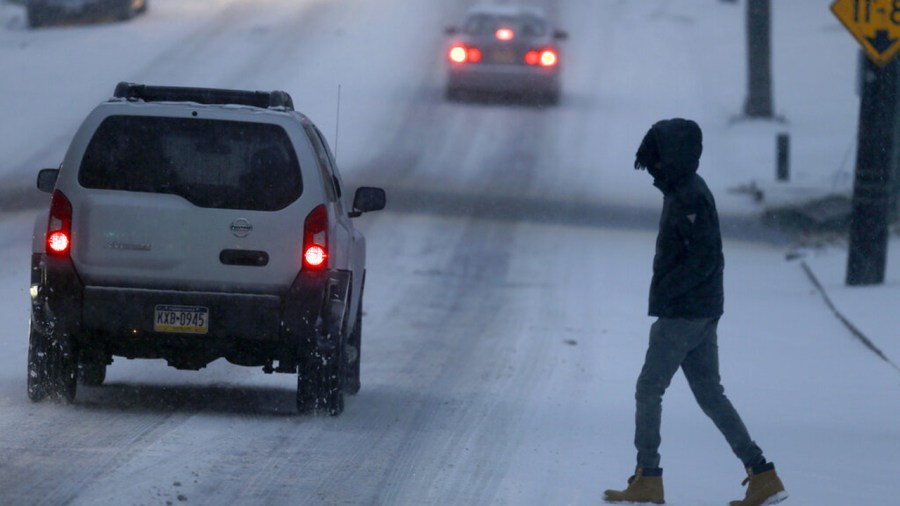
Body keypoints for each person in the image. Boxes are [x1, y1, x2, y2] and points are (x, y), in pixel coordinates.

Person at [603, 118, 788, 506]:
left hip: (684, 314)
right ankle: (762, 473)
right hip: (700, 310)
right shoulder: (685, 190)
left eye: (654, 160)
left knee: (649, 389)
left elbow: (704, 258)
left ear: (670, 158)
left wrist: (669, 295)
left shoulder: (688, 197)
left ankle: (648, 476)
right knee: (710, 394)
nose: (651, 169)